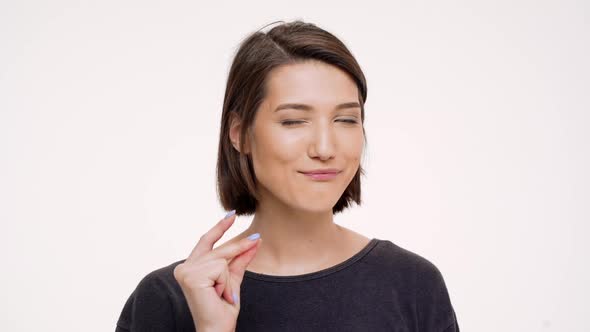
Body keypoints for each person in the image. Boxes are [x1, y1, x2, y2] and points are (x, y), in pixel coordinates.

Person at [115, 20, 460, 332]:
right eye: (294, 121)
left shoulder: (412, 284)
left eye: (346, 120)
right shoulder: (170, 298)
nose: (325, 147)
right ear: (239, 133)